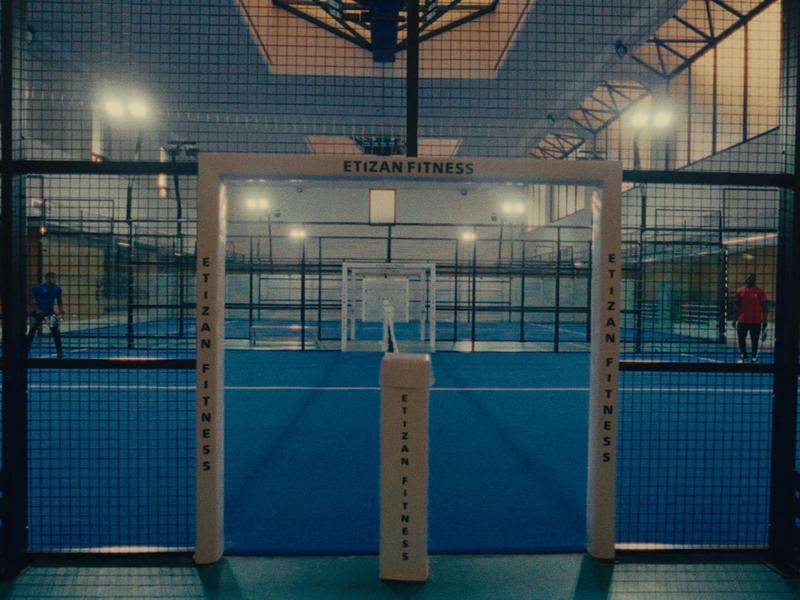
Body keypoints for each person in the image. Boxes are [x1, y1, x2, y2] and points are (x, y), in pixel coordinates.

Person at [26, 271, 64, 359]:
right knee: (32, 331)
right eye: (53, 278)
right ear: (47, 278)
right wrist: (36, 309)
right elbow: (29, 298)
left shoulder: (57, 289)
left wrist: (61, 308)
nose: (55, 279)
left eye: (55, 278)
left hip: (49, 312)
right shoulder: (39, 288)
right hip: (37, 313)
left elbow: (59, 299)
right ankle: (26, 351)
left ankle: (60, 352)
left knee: (56, 332)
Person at [733, 273, 767, 363]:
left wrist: (765, 321)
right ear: (746, 279)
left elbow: (764, 307)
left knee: (755, 340)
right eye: (748, 278)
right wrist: (734, 319)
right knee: (741, 339)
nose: (749, 280)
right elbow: (737, 306)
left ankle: (754, 357)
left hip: (756, 321)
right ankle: (744, 356)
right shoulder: (740, 291)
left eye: (751, 278)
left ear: (754, 280)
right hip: (742, 320)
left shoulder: (760, 291)